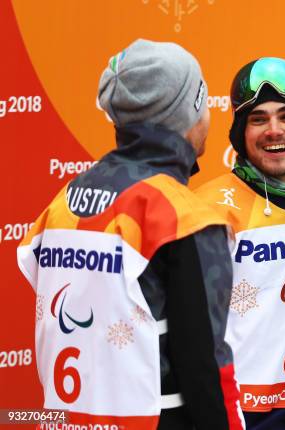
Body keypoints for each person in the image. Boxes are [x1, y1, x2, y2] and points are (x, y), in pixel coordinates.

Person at [17, 39, 243, 430]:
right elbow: (204, 366)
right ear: (190, 114)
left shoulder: (61, 203)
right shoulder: (181, 214)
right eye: (203, 101)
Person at [196, 57, 285, 430]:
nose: (274, 130)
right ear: (241, 133)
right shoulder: (208, 207)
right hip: (230, 412)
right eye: (258, 119)